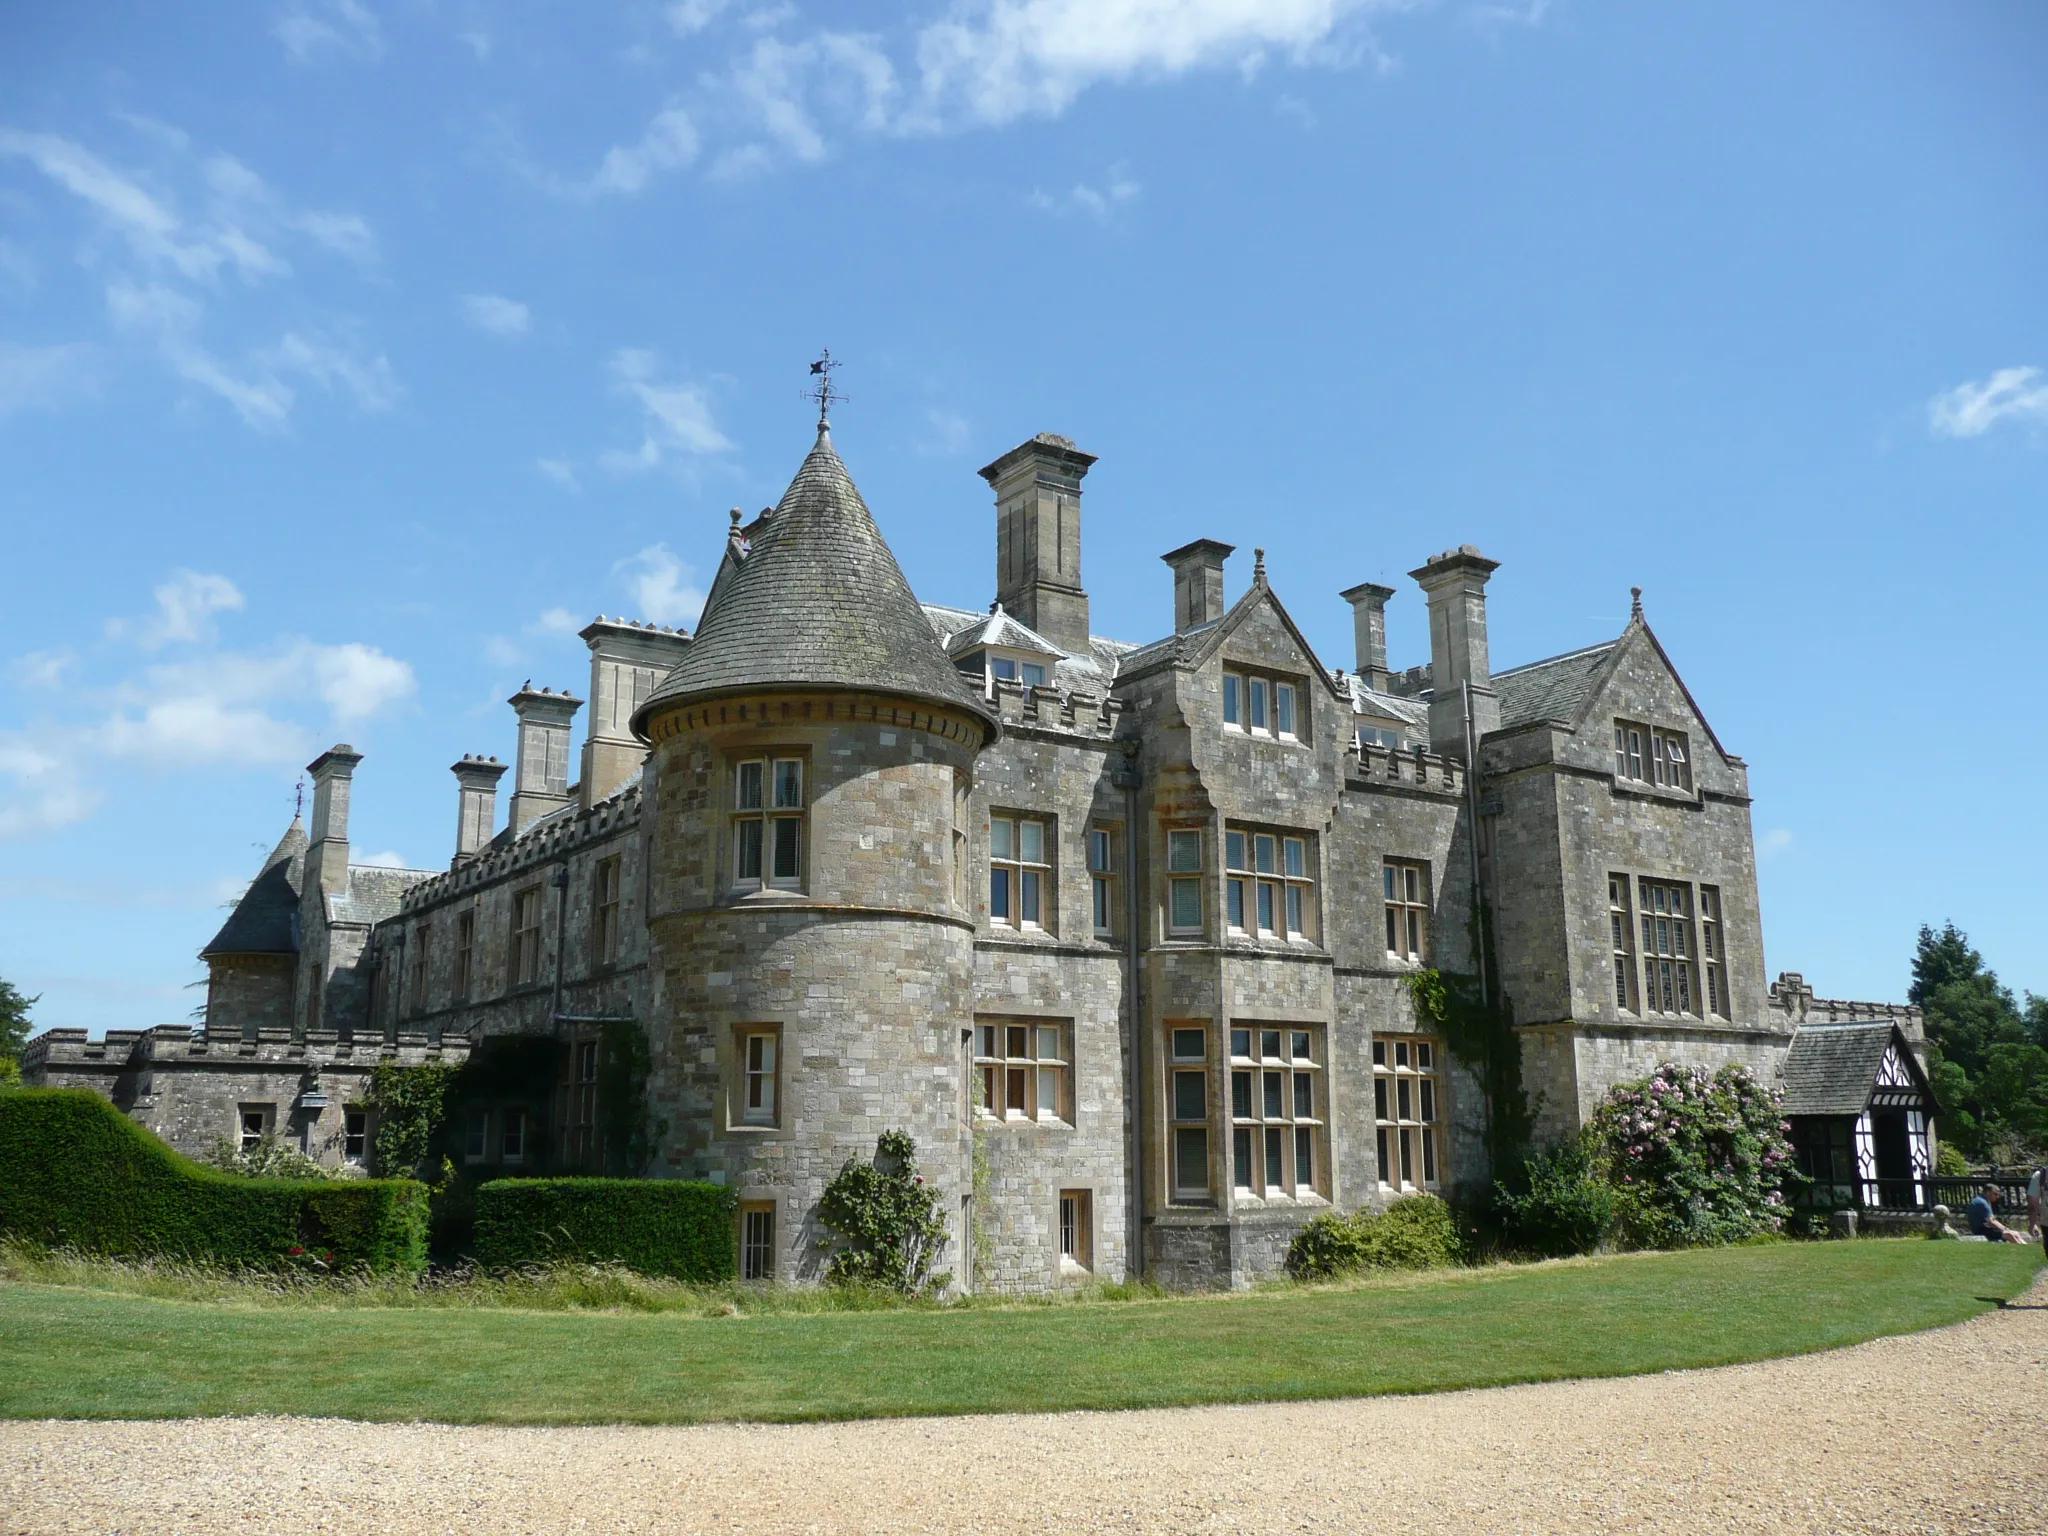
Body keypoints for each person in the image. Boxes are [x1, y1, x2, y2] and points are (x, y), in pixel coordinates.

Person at [2029, 1161, 2045, 1248]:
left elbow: (2033, 1203)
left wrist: (2032, 1223)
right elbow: (2033, 1203)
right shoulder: (2040, 1175)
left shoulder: (2040, 1175)